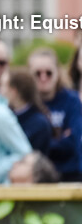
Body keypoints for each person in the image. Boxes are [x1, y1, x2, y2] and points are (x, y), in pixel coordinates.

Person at [27, 47, 82, 181]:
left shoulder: (72, 100)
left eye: (49, 73)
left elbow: (73, 141)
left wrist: (41, 143)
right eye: (37, 73)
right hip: (35, 177)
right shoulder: (25, 103)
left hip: (70, 174)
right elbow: (25, 145)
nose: (43, 77)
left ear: (58, 73)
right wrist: (60, 139)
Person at [2, 68, 52, 155]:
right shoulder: (5, 116)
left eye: (3, 86)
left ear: (13, 91)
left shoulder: (39, 123)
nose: (1, 91)